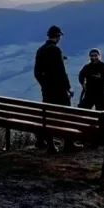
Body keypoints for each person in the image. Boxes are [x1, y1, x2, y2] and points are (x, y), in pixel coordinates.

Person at [33, 25, 73, 154]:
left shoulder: (40, 50)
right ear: (58, 36)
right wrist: (68, 88)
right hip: (60, 91)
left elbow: (37, 73)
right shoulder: (56, 50)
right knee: (66, 115)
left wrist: (45, 85)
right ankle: (68, 144)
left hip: (47, 91)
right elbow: (61, 72)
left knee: (48, 116)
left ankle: (51, 146)